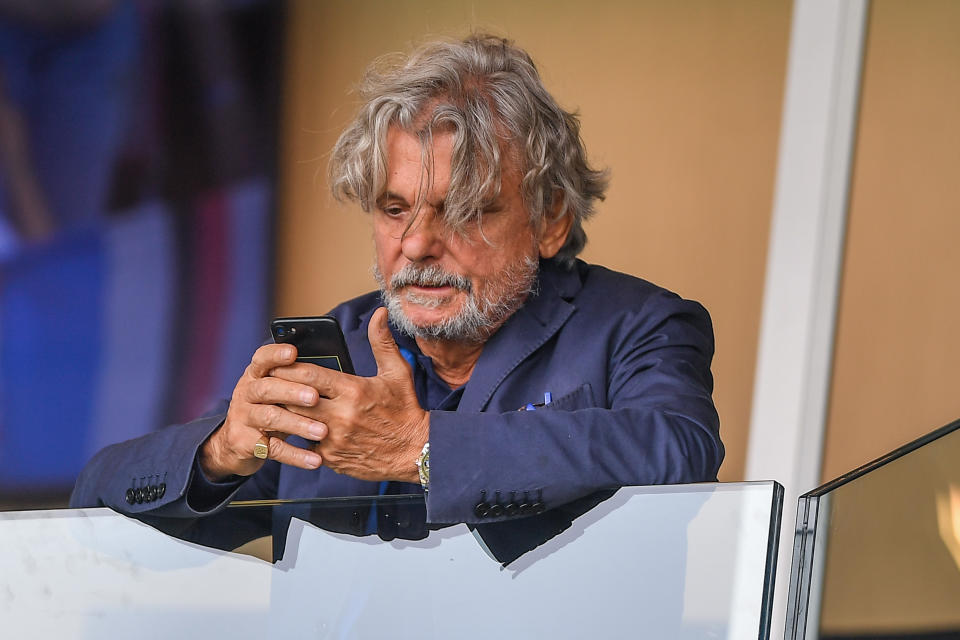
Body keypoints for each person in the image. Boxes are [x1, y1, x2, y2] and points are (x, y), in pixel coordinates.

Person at [70, 34, 723, 528]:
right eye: (393, 208)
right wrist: (222, 450)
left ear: (550, 220)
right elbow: (95, 497)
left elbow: (681, 450)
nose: (416, 244)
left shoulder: (637, 325)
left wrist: (421, 448)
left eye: (465, 209)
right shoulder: (341, 345)